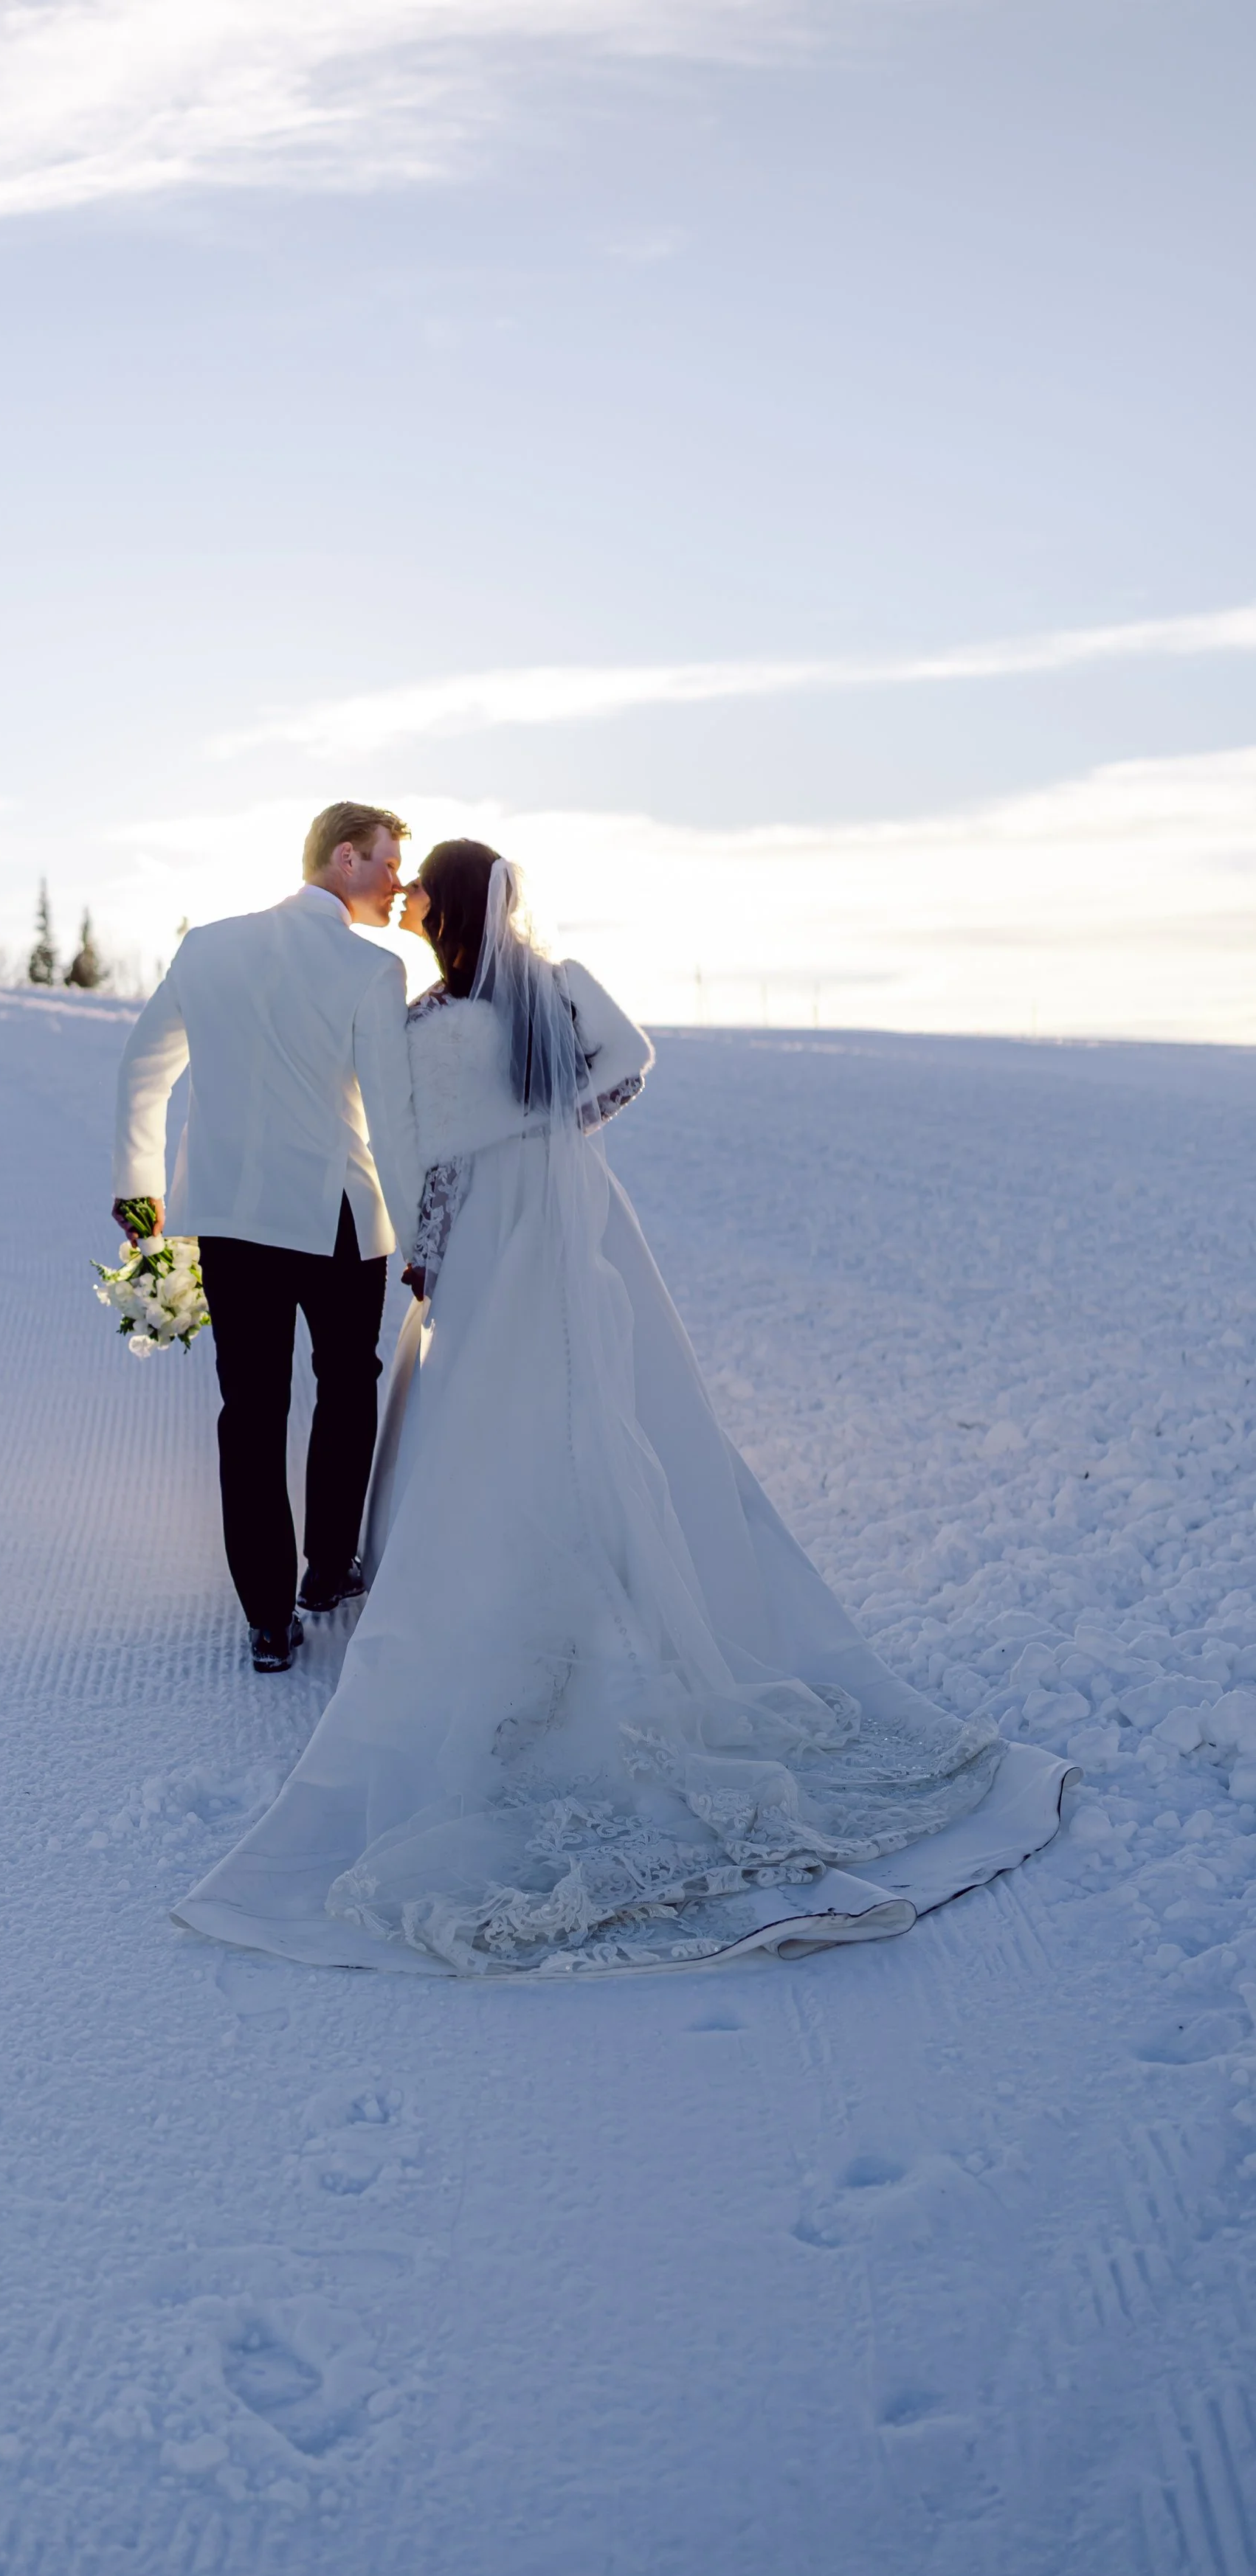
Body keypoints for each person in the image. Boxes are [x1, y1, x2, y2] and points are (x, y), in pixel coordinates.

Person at [173, 842, 1076, 1976]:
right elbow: (630, 1060)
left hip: (490, 1243)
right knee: (610, 1402)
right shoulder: (558, 989)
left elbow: (428, 1170)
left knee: (485, 1423)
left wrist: (427, 1268)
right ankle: (619, 1580)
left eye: (418, 895)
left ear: (441, 912)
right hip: (579, 1227)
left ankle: (503, 1600)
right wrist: (562, 1134)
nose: (405, 905)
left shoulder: (423, 1024)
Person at [112, 803, 424, 1673]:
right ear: (345, 855)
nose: (397, 879)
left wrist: (139, 1197)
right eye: (389, 861)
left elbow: (143, 1072)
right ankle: (325, 1571)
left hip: (230, 1222)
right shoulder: (372, 968)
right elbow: (393, 1122)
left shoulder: (207, 946)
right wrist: (421, 1232)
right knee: (345, 1387)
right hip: (335, 1219)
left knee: (249, 1413)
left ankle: (265, 1617)